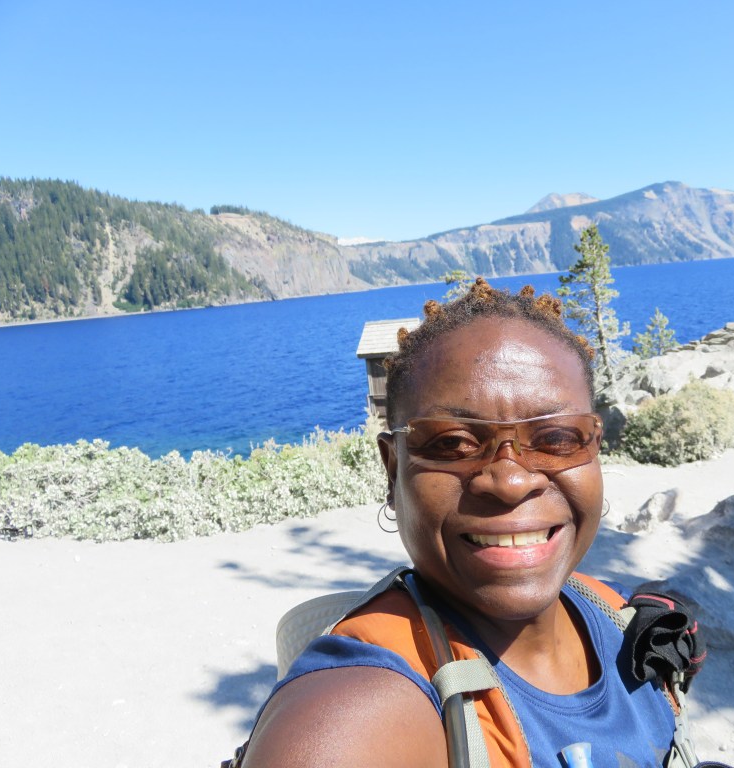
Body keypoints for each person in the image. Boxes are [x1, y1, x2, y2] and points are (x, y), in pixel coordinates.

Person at [233, 279, 697, 767]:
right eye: (453, 443)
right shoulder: (361, 700)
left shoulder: (616, 614)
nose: (511, 482)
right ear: (393, 469)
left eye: (558, 438)